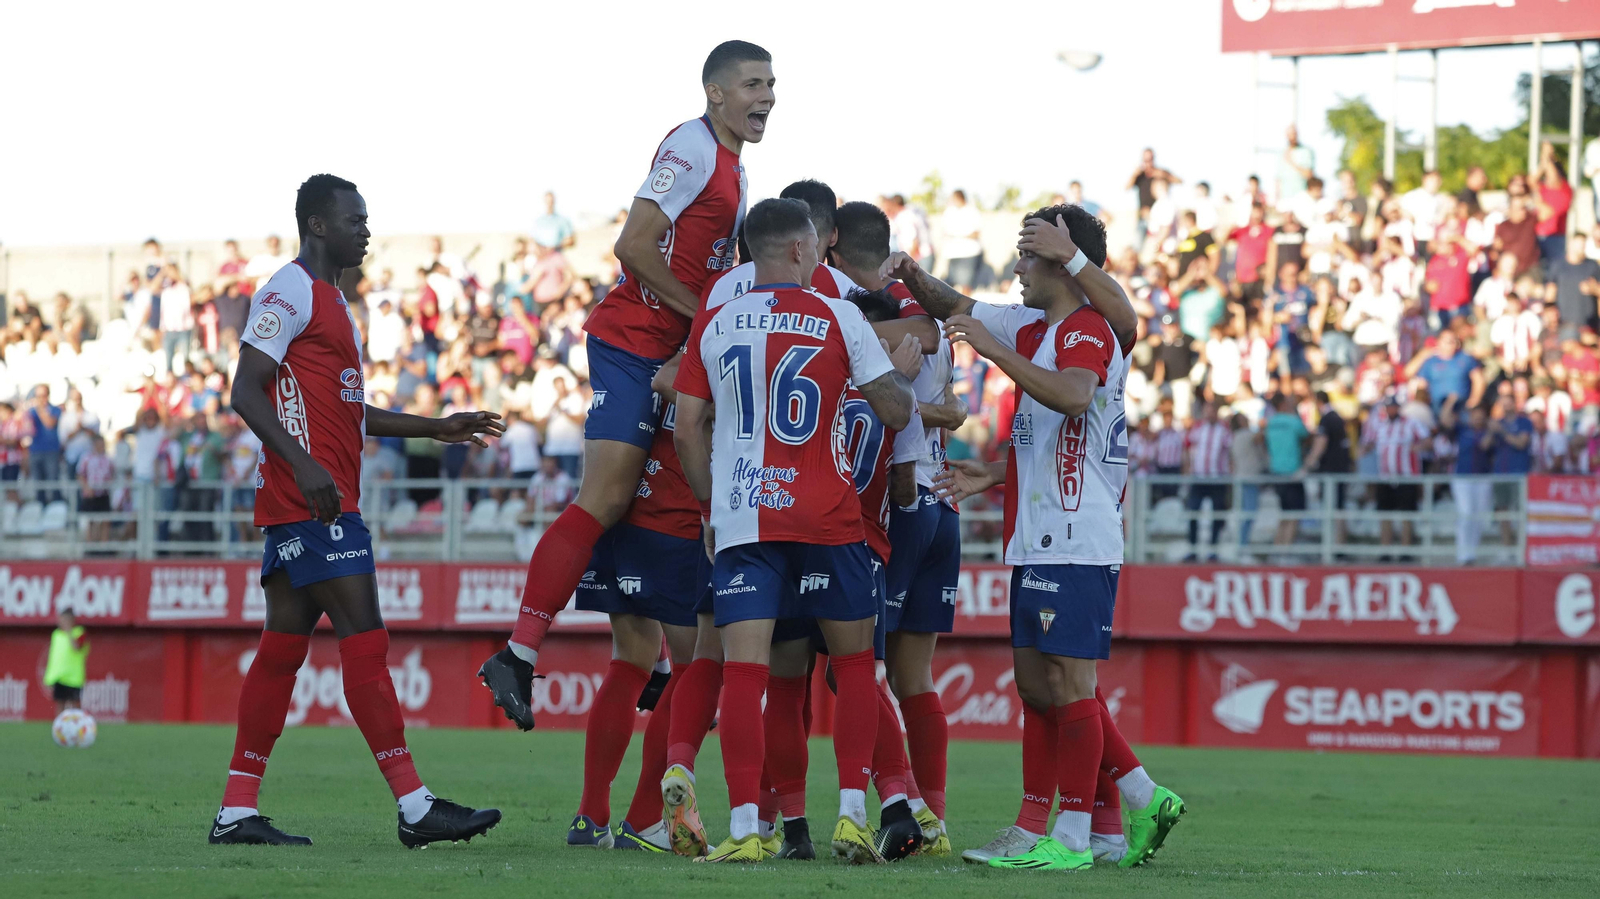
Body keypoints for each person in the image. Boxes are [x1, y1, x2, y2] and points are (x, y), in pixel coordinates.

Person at [481, 43, 775, 726]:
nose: (766, 96)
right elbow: (633, 245)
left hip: (672, 351)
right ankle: (518, 652)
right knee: (608, 496)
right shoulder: (692, 146)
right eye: (752, 83)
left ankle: (662, 666)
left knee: (667, 506)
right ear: (715, 92)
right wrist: (707, 318)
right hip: (634, 343)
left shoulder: (734, 165)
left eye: (771, 84)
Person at [211, 174, 505, 849]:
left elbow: (347, 409)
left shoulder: (334, 302)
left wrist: (436, 427)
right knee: (365, 643)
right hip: (315, 501)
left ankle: (235, 810)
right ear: (317, 224)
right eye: (355, 220)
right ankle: (415, 805)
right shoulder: (288, 290)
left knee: (281, 652)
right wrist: (304, 464)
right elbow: (245, 391)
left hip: (310, 497)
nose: (366, 231)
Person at [900, 205, 1185, 871]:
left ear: (1061, 260)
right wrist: (907, 272)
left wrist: (992, 350)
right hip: (1037, 532)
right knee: (1038, 685)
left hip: (1077, 532)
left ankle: (1072, 835)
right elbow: (956, 304)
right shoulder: (1035, 325)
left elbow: (1076, 398)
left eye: (1028, 253)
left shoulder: (1087, 328)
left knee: (1069, 684)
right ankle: (1118, 813)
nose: (1017, 266)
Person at [671, 197, 917, 863]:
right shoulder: (838, 314)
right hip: (826, 516)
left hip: (744, 516)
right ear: (803, 249)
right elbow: (896, 410)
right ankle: (854, 816)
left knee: (745, 674)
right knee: (854, 667)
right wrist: (895, 378)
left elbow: (687, 426)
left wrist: (709, 505)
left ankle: (746, 829)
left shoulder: (715, 319)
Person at [831, 199, 968, 856]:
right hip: (946, 510)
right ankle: (933, 817)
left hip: (903, 507)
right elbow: (944, 399)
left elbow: (899, 410)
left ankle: (904, 803)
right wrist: (943, 413)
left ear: (833, 251)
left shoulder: (862, 319)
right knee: (915, 677)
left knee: (860, 670)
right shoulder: (925, 318)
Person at [1362, 398, 1429, 553]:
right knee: (1385, 514)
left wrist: (1417, 448)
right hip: (1385, 477)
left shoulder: (1411, 423)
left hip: (1406, 476)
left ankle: (1406, 550)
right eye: (1388, 407)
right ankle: (1385, 550)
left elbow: (1427, 440)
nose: (1391, 410)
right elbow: (1368, 443)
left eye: (1393, 407)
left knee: (1407, 515)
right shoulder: (1380, 425)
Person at [1438, 396, 1493, 565]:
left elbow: (1485, 446)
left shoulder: (1488, 432)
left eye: (1481, 417)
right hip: (1462, 477)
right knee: (1466, 513)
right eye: (1475, 416)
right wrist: (1450, 402)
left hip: (1482, 477)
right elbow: (1445, 420)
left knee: (1478, 515)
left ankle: (1473, 552)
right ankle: (1463, 553)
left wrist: (1491, 430)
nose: (1478, 419)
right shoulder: (1462, 429)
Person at [1183, 402, 1231, 559]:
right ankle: (1192, 549)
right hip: (1199, 477)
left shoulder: (1224, 430)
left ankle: (1213, 550)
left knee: (1217, 515)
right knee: (1193, 512)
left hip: (1217, 478)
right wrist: (1188, 468)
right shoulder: (1198, 428)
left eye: (1212, 412)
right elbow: (1187, 447)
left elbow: (1230, 452)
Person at [1262, 393, 1310, 547]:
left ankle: (1278, 547)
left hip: (1276, 471)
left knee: (1284, 512)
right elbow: (1307, 436)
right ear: (1283, 404)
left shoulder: (1270, 422)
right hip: (1292, 472)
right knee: (1294, 514)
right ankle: (1285, 548)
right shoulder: (1293, 421)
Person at [1544, 237, 1600, 337]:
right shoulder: (1558, 266)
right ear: (1570, 245)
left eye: (1583, 245)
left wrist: (1594, 289)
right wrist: (1549, 315)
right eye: (1579, 245)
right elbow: (1550, 293)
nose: (1582, 248)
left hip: (1589, 325)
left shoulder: (1593, 266)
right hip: (1565, 325)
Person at [44, 609, 89, 716]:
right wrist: (49, 678)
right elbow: (54, 658)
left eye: (66, 620)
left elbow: (76, 647)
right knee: (60, 705)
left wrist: (69, 632)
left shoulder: (79, 633)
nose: (63, 622)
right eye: (61, 619)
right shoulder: (56, 635)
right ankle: (60, 725)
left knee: (75, 705)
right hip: (60, 678)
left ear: (72, 620)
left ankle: (78, 725)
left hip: (74, 679)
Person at [940, 189, 984, 291]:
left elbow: (976, 233)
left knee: (966, 285)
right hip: (953, 254)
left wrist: (959, 235)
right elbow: (944, 231)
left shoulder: (972, 211)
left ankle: (966, 302)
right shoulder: (949, 212)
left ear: (959, 198)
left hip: (968, 254)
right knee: (950, 285)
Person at [1277, 125, 1315, 211]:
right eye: (1289, 134)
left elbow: (1309, 174)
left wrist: (1291, 162)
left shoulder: (1306, 151)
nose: (1292, 137)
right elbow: (1278, 179)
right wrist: (1277, 199)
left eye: (1293, 134)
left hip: (1302, 197)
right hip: (1285, 198)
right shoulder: (1281, 153)